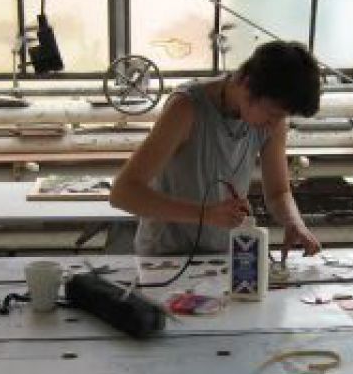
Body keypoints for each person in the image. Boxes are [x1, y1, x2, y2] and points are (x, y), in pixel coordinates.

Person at [110, 40, 322, 258]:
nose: (275, 123)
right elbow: (123, 193)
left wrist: (294, 222)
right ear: (247, 85)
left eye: (282, 117)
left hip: (223, 255)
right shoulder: (186, 108)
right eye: (272, 114)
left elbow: (278, 192)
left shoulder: (273, 123)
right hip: (166, 256)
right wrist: (206, 214)